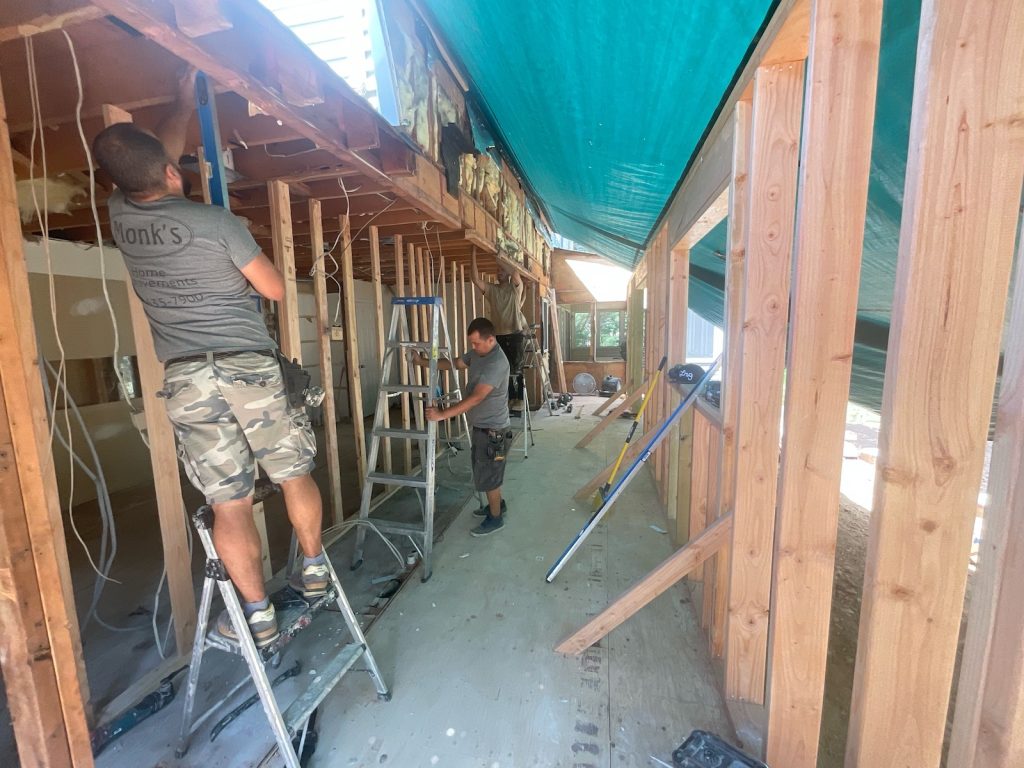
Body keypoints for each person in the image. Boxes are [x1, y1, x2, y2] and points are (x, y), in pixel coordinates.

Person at [92, 71, 326, 648]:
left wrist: (177, 100)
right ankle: (315, 569)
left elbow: (151, 158)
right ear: (173, 173)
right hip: (247, 362)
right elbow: (272, 289)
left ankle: (257, 614)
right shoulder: (216, 223)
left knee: (229, 501)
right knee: (292, 470)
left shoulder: (120, 214)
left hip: (187, 377)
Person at [417, 317, 512, 536]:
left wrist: (442, 415)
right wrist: (422, 362)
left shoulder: (496, 363)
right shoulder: (479, 354)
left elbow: (476, 398)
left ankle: (496, 519)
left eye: (477, 343)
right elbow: (455, 363)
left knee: (490, 476)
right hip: (483, 428)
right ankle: (498, 505)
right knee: (489, 473)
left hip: (494, 433)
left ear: (491, 340)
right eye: (472, 343)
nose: (473, 347)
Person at [470, 250, 527, 410]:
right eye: (497, 271)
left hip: (515, 335)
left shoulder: (516, 288)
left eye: (502, 270)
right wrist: (472, 252)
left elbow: (515, 273)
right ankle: (509, 399)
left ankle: (519, 399)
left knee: (517, 369)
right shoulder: (492, 290)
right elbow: (475, 279)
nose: (499, 273)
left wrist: (498, 257)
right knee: (503, 370)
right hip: (498, 337)